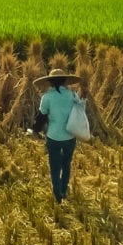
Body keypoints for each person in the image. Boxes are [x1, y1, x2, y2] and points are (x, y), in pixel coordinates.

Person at [34, 68, 84, 203]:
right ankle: (64, 189)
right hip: (70, 136)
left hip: (54, 137)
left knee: (55, 166)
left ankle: (57, 195)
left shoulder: (47, 97)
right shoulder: (73, 95)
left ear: (50, 82)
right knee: (66, 163)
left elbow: (41, 117)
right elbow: (79, 110)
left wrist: (35, 130)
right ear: (64, 81)